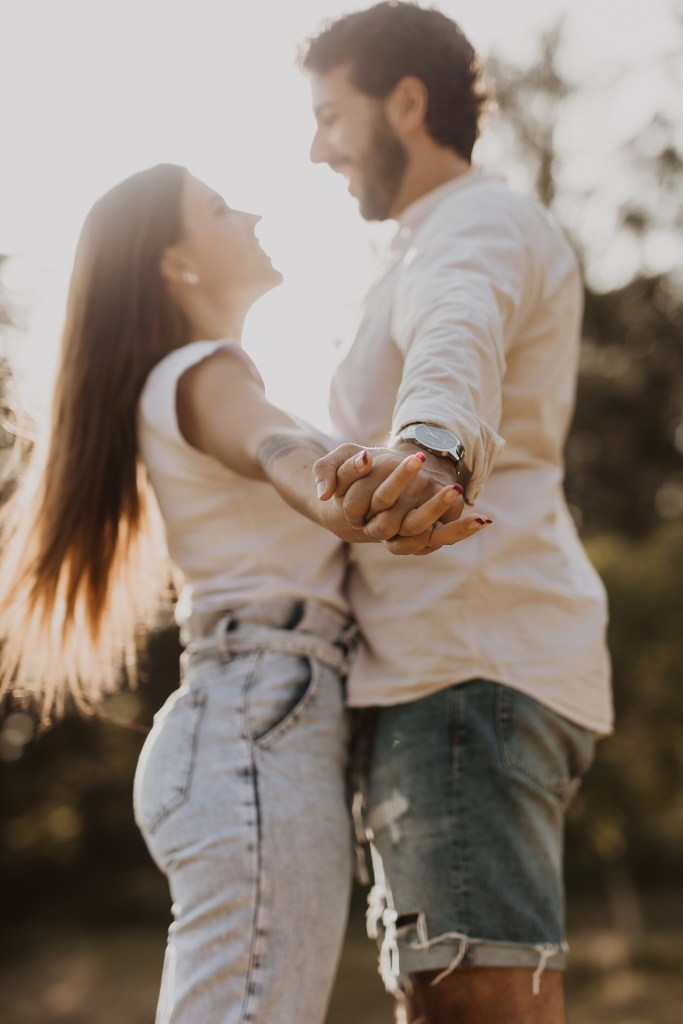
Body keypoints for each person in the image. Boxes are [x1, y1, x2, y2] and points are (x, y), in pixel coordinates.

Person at [0, 164, 490, 1023]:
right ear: (176, 263)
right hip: (258, 727)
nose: (252, 213)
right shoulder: (203, 372)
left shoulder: (187, 382)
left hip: (251, 722)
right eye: (221, 208)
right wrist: (335, 492)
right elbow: (273, 449)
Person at [300, 5, 613, 1023]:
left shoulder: (472, 226)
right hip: (451, 672)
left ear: (405, 102)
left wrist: (429, 447)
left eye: (330, 116)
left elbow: (457, 321)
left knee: (478, 1009)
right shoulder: (421, 243)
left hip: (463, 674)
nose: (318, 150)